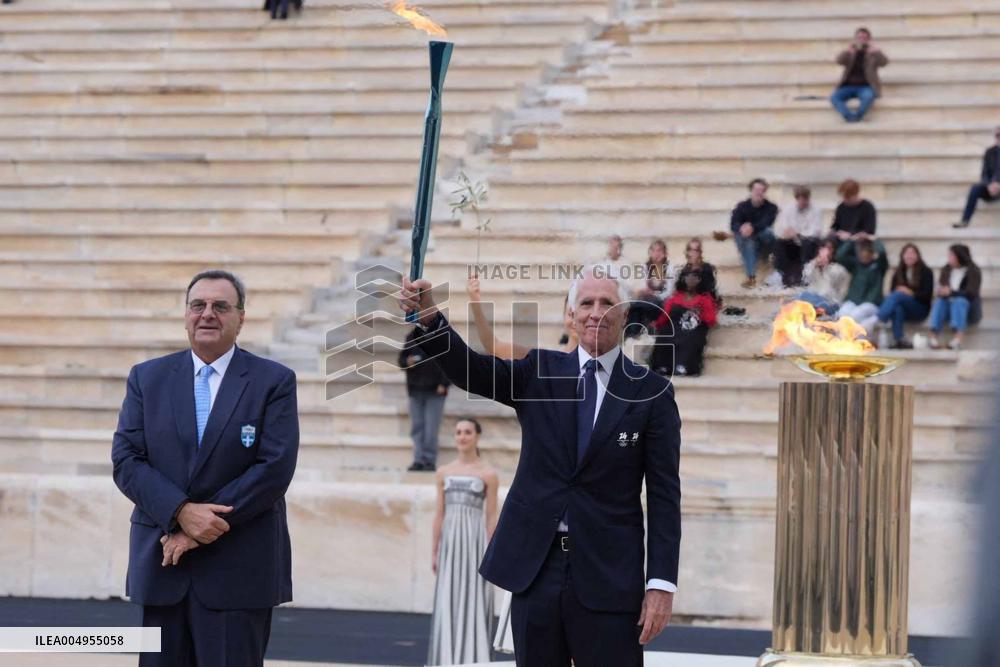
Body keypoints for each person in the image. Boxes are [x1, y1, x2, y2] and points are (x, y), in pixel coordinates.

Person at [399, 265, 682, 667]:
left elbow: (665, 495)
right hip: (537, 570)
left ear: (625, 315)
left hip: (608, 575)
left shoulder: (652, 393)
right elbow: (472, 371)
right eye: (586, 303)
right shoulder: (540, 371)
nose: (596, 312)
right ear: (571, 315)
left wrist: (660, 583)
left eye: (607, 303)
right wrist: (430, 318)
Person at [111, 270, 299, 667]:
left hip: (238, 570)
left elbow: (274, 468)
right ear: (186, 315)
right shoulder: (147, 378)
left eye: (221, 306)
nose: (207, 314)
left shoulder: (273, 381)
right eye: (198, 305)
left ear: (241, 318)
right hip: (163, 565)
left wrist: (198, 529)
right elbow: (127, 459)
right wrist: (180, 513)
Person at [428, 418, 500, 665]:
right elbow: (439, 513)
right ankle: (447, 658)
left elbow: (491, 516)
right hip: (450, 542)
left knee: (474, 597)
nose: (462, 436)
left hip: (475, 542)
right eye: (458, 432)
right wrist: (434, 550)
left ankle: (474, 659)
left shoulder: (488, 474)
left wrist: (492, 552)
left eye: (467, 432)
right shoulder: (443, 472)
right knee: (449, 597)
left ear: (477, 436)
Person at [399, 326, 451, 472]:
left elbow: (452, 361)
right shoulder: (411, 337)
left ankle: (429, 460)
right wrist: (407, 362)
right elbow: (401, 360)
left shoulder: (443, 336)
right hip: (415, 389)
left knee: (431, 428)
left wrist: (444, 383)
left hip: (436, 391)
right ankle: (418, 460)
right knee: (417, 427)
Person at [650, 271, 719, 377]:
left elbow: (711, 320)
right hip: (675, 326)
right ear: (683, 280)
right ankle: (663, 367)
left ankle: (682, 366)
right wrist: (656, 324)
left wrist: (700, 312)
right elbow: (665, 316)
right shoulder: (675, 298)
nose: (691, 280)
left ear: (700, 281)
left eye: (695, 278)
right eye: (688, 277)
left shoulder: (705, 299)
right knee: (665, 332)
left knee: (690, 336)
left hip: (694, 327)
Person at [875, 243, 934, 349]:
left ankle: (880, 317)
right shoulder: (898, 272)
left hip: (920, 309)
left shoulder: (926, 272)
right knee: (897, 307)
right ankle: (899, 339)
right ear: (902, 256)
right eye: (907, 253)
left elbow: (927, 295)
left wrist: (910, 293)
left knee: (899, 294)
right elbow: (892, 292)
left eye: (912, 253)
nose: (909, 256)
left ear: (917, 256)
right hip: (904, 310)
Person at [929, 244, 983, 350]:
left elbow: (971, 293)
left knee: (959, 301)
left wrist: (951, 293)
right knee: (939, 302)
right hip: (948, 309)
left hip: (969, 310)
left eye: (951, 255)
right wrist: (941, 291)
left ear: (960, 256)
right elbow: (942, 288)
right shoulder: (946, 269)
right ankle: (933, 338)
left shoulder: (973, 271)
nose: (949, 258)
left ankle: (958, 339)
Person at [830, 27, 888, 123]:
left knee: (868, 97)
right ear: (855, 38)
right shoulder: (851, 52)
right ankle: (849, 116)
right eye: (859, 37)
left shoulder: (872, 53)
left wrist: (876, 51)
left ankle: (857, 116)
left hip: (865, 86)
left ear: (869, 39)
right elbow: (839, 61)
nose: (862, 39)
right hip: (848, 86)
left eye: (864, 37)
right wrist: (847, 51)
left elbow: (884, 63)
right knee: (834, 97)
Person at [835, 239, 889, 338]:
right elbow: (840, 256)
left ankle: (854, 340)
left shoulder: (879, 266)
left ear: (872, 253)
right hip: (853, 301)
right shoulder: (856, 265)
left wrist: (874, 239)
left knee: (856, 315)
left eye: (866, 251)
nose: (863, 254)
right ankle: (845, 341)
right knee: (843, 313)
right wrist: (851, 240)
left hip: (871, 304)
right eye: (860, 251)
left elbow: (881, 252)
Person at [730, 178, 778, 288]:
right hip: (749, 242)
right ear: (751, 191)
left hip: (765, 243)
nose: (758, 192)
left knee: (768, 232)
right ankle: (751, 276)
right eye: (756, 189)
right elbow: (734, 224)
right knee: (743, 237)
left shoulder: (771, 207)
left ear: (765, 192)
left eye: (761, 190)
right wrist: (742, 228)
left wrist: (752, 227)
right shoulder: (741, 206)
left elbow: (767, 222)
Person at [773, 185, 822, 287]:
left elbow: (815, 231)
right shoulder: (788, 209)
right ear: (797, 199)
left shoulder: (816, 210)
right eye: (800, 199)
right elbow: (781, 227)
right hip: (793, 241)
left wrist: (798, 234)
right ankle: (782, 273)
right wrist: (787, 233)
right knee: (779, 243)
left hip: (809, 241)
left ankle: (805, 274)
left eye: (805, 199)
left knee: (808, 243)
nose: (803, 202)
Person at [627, 239, 676, 335]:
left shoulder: (669, 268)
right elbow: (644, 287)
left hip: (662, 302)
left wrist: (655, 294)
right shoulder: (645, 267)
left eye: (659, 250)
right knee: (637, 308)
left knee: (636, 306)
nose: (656, 254)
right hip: (647, 301)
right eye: (653, 250)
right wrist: (645, 292)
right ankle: (632, 336)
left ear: (665, 253)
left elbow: (670, 292)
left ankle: (633, 335)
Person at [954, 126, 1000, 228]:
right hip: (992, 187)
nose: (999, 138)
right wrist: (989, 185)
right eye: (997, 135)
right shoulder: (990, 152)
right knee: (975, 189)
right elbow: (984, 174)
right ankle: (965, 220)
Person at [799, 240, 851, 316]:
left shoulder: (838, 269)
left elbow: (830, 288)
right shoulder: (814, 265)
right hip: (815, 298)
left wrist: (825, 265)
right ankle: (812, 310)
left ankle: (814, 310)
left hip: (832, 301)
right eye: (823, 248)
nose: (825, 251)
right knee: (802, 295)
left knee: (821, 304)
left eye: (829, 248)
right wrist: (814, 264)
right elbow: (805, 278)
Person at [677, 237, 720, 306]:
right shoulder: (684, 270)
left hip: (703, 302)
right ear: (687, 252)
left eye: (696, 250)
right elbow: (679, 289)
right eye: (690, 250)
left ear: (700, 252)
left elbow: (708, 290)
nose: (692, 253)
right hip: (687, 302)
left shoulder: (707, 268)